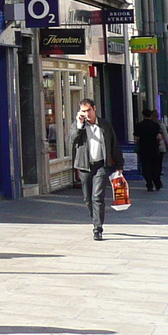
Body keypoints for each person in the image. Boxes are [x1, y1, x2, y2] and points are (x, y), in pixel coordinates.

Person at [69, 99, 120, 240]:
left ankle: (98, 228)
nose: (86, 114)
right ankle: (95, 217)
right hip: (84, 166)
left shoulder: (104, 125)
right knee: (87, 199)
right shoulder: (78, 126)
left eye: (88, 110)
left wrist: (119, 166)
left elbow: (114, 145)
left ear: (94, 109)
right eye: (83, 111)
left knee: (97, 197)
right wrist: (79, 125)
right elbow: (72, 141)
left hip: (101, 165)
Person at [133, 109, 167, 192]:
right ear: (151, 116)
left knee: (146, 167)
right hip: (154, 149)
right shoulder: (155, 125)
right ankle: (157, 184)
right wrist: (158, 142)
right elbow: (159, 137)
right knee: (155, 167)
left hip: (143, 149)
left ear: (143, 115)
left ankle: (149, 184)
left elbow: (136, 138)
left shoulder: (139, 125)